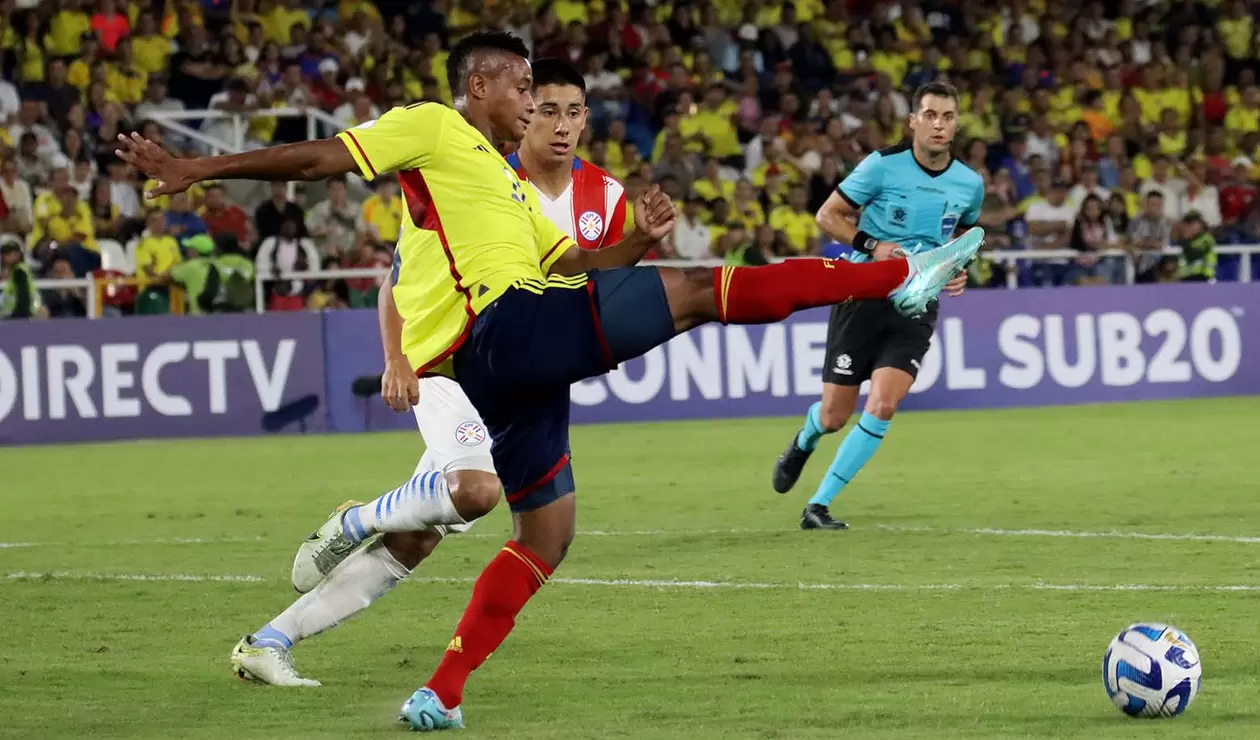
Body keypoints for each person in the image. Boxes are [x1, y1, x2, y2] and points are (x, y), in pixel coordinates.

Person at [115, 32, 980, 731]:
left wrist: (636, 243)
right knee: (698, 294)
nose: (532, 103)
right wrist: (200, 169)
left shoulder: (508, 185)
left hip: (514, 353)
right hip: (498, 328)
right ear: (480, 83)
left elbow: (579, 265)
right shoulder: (433, 125)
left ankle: (439, 692)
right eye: (524, 86)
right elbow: (319, 161)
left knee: (546, 529)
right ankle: (891, 278)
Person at [224, 57, 631, 689]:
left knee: (422, 536)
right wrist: (397, 359)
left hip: (517, 388)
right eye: (539, 104)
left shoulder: (601, 197)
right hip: (450, 365)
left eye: (570, 111)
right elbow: (396, 281)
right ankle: (356, 519)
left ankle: (270, 641)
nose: (554, 121)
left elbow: (578, 281)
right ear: (512, 109)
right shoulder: (460, 174)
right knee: (472, 494)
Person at [770, 81, 986, 531]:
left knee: (884, 405)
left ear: (957, 124)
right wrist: (874, 245)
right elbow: (828, 216)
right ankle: (805, 439)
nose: (938, 124)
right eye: (930, 115)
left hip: (915, 303)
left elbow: (960, 242)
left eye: (947, 117)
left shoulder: (969, 183)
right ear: (913, 121)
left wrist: (956, 270)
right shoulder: (882, 166)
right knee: (834, 415)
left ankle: (819, 505)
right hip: (862, 292)